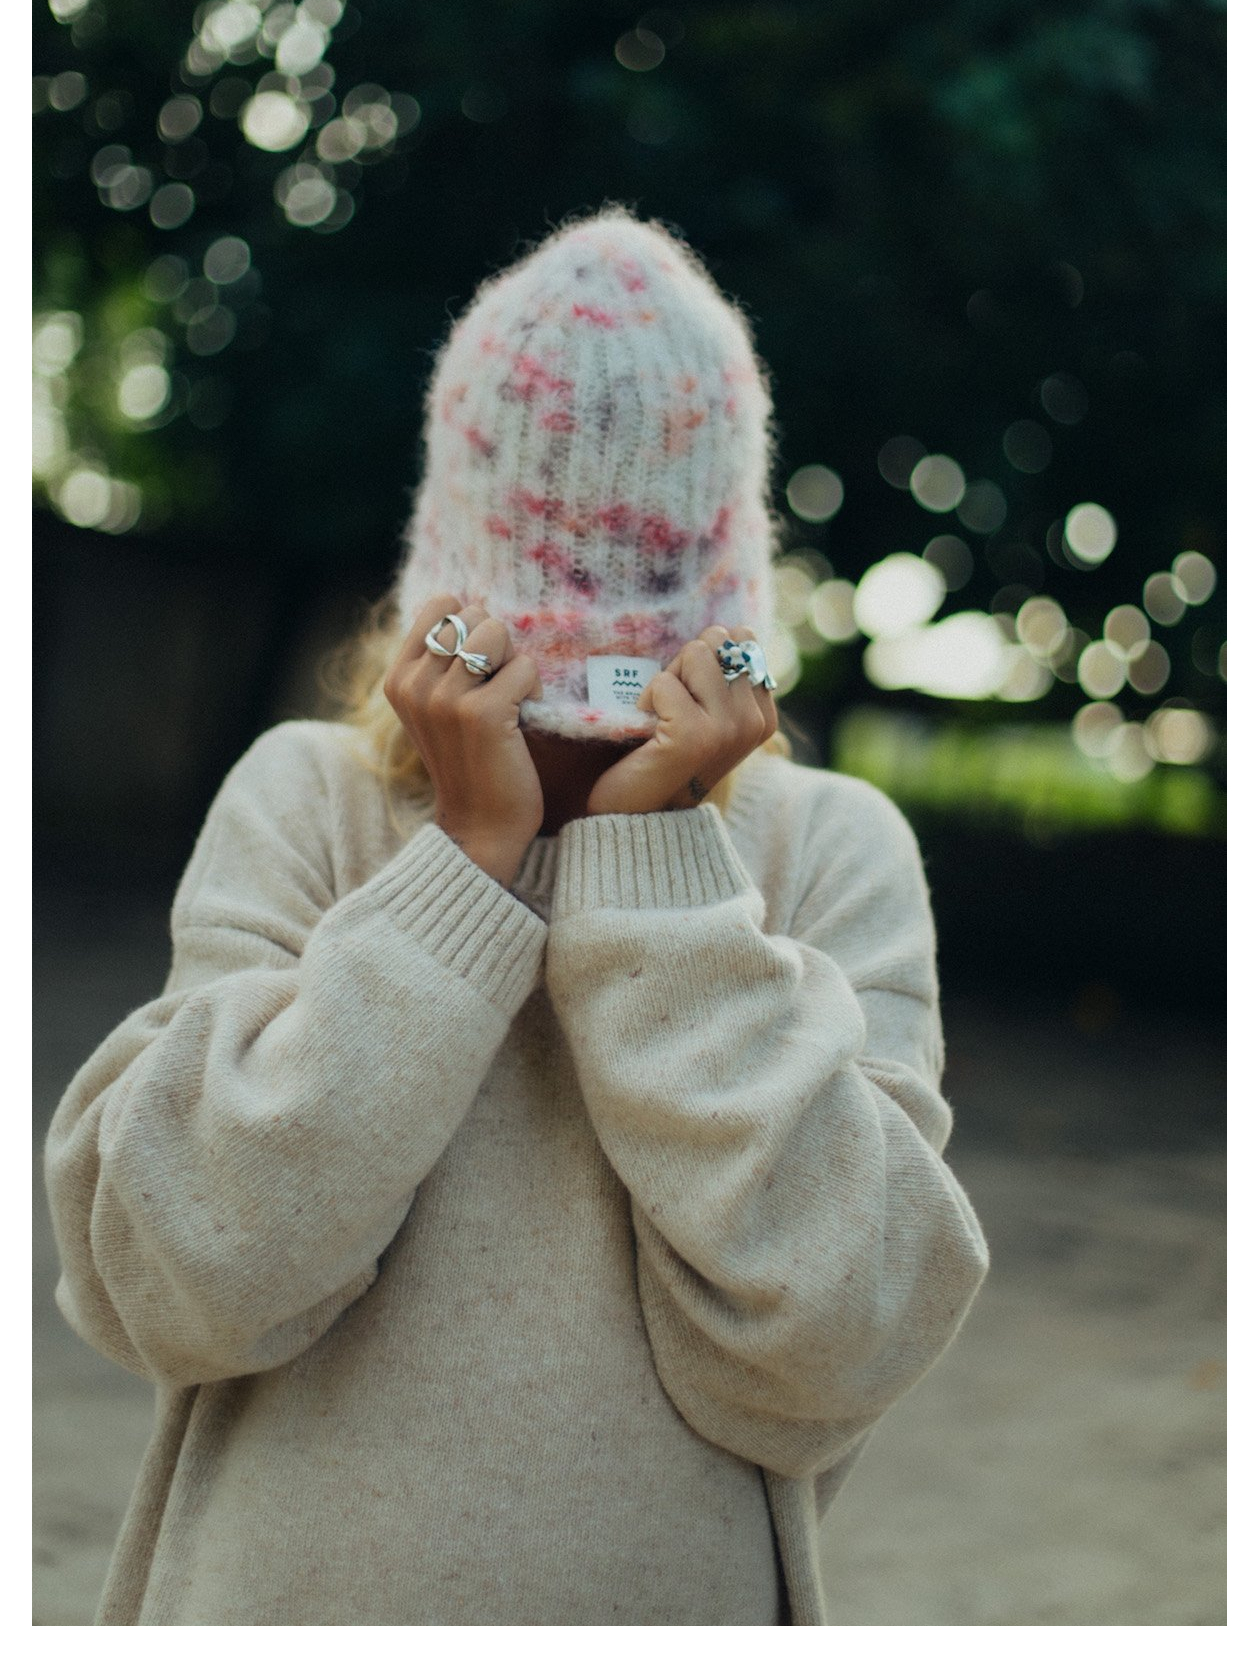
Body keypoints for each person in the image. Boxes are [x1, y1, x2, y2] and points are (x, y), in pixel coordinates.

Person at [43, 206, 989, 1626]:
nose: (585, 695)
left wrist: (661, 877)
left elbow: (840, 1347)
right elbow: (168, 1287)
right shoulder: (309, 802)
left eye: (635, 624)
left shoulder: (826, 851)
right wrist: (465, 865)